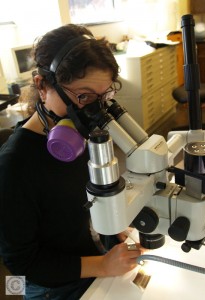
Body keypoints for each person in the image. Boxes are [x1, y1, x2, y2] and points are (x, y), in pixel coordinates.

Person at [0, 24, 142, 299]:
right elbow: (21, 263)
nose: (92, 111)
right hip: (49, 285)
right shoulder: (14, 166)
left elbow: (79, 205)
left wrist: (113, 229)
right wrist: (102, 264)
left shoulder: (79, 139)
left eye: (103, 97)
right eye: (83, 96)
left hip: (91, 261)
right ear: (43, 86)